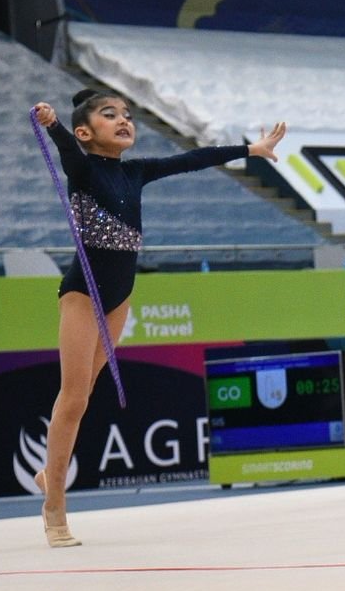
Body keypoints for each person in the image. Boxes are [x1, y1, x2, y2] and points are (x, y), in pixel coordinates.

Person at [32, 91, 286, 547]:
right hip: (83, 295)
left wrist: (250, 149)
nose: (124, 121)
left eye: (128, 115)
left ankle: (46, 472)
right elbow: (67, 150)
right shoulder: (84, 168)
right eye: (110, 115)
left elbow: (193, 158)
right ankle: (55, 504)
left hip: (119, 298)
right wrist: (53, 126)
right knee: (72, 398)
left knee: (86, 394)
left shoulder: (136, 171)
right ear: (86, 132)